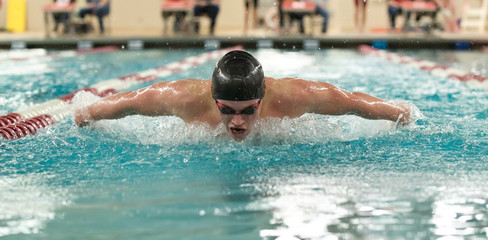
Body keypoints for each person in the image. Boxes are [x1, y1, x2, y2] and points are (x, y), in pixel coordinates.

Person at [75, 50, 411, 142]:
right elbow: (130, 101)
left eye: (249, 111)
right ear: (213, 99)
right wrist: (88, 112)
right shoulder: (184, 98)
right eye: (227, 110)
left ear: (263, 99)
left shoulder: (294, 97)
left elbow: (350, 101)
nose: (237, 122)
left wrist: (396, 111)